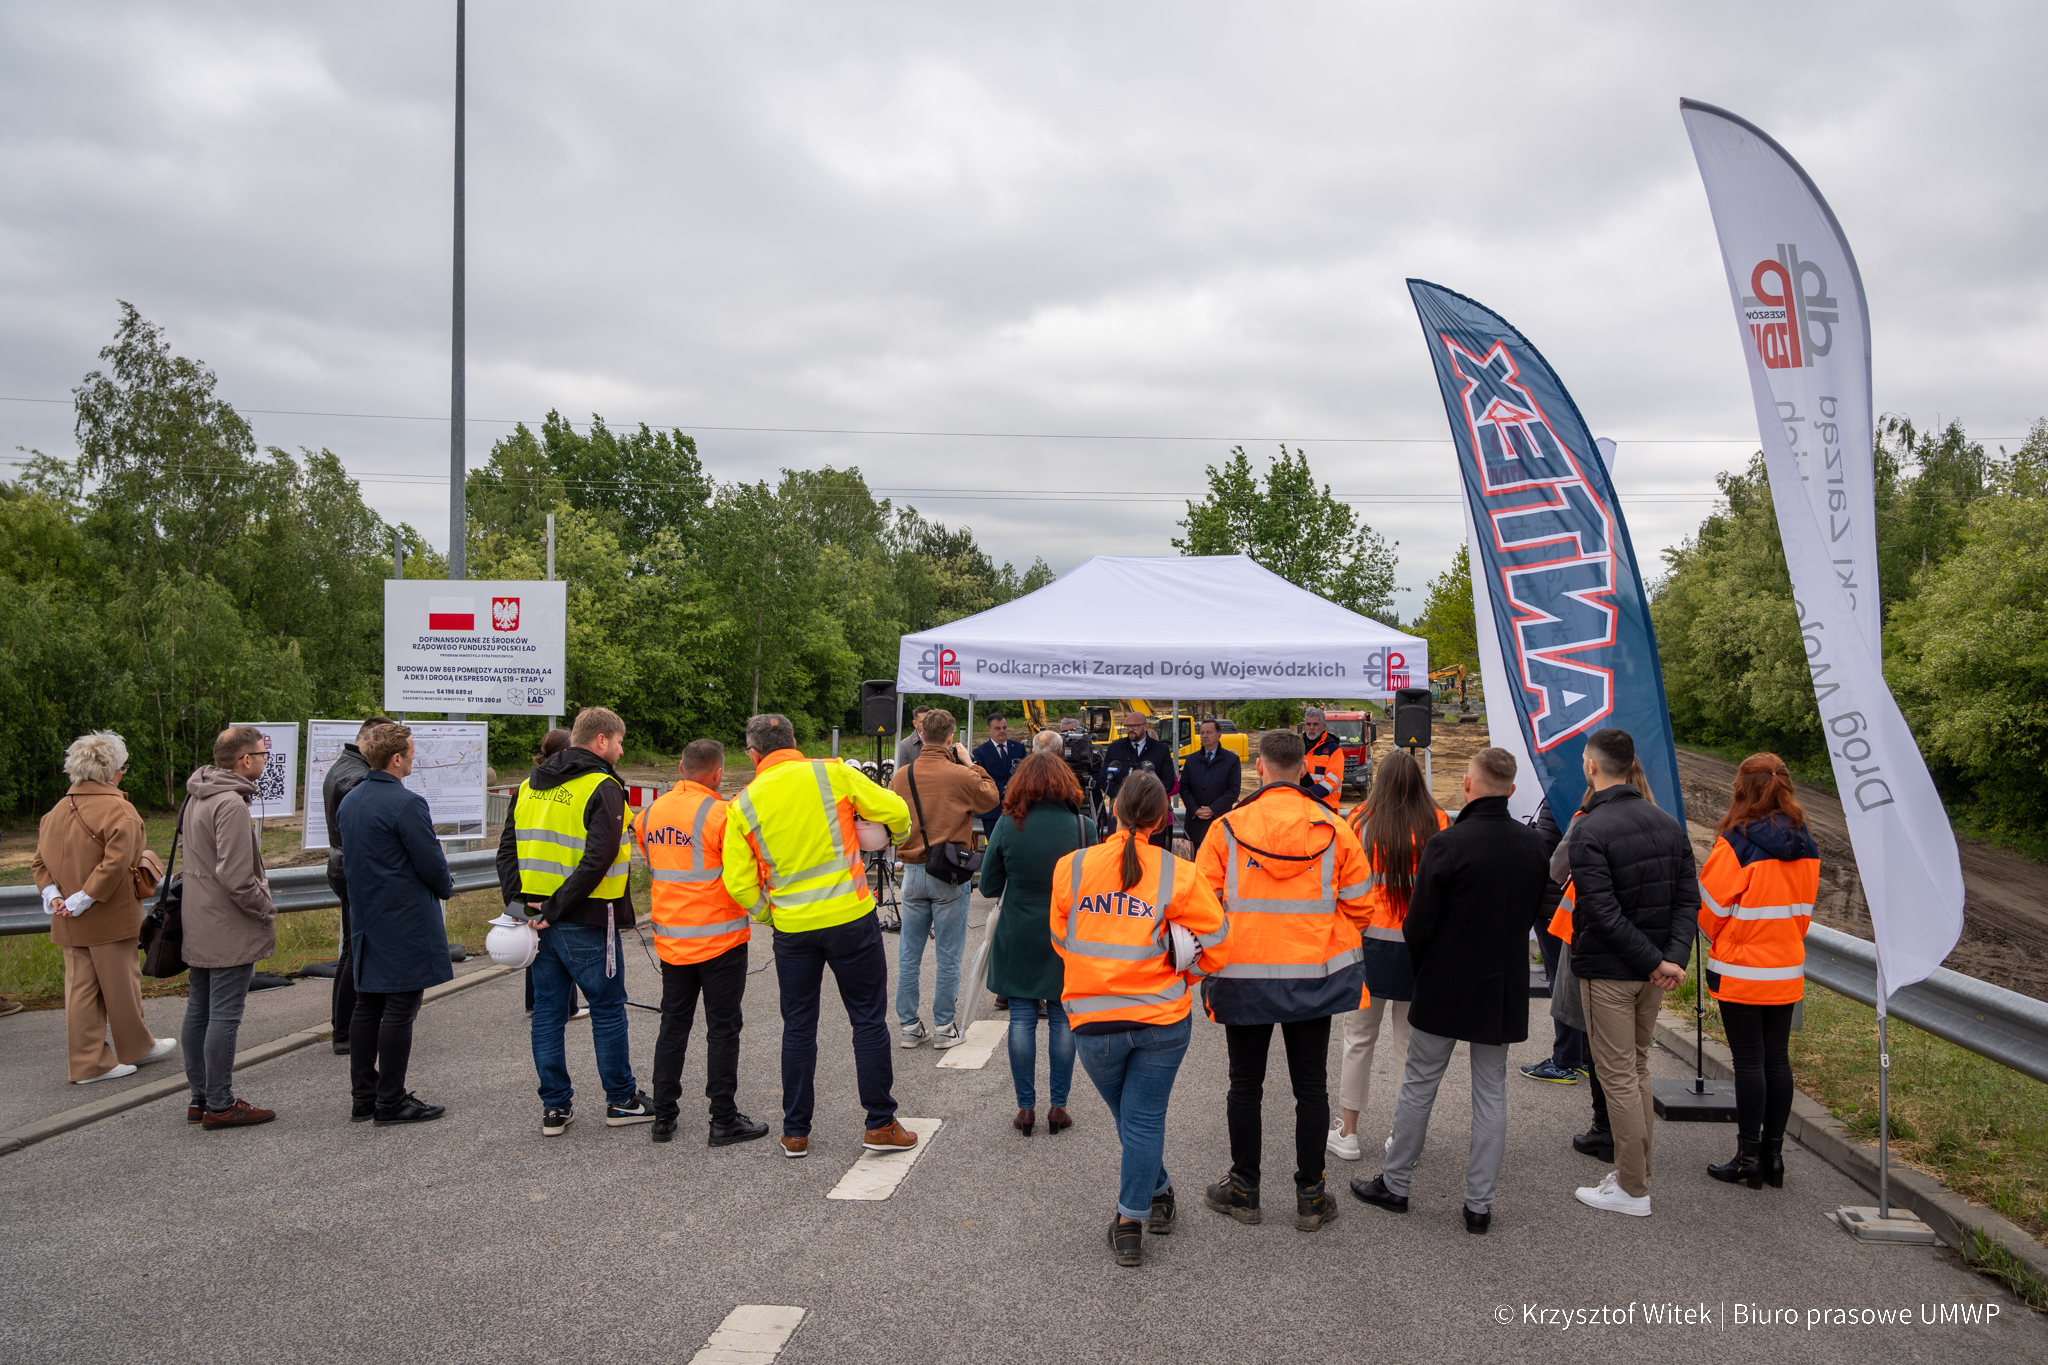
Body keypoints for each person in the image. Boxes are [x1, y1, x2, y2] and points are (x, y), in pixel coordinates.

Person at [1350, 748, 1549, 1233]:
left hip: (1444, 980)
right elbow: (1532, 914)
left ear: (1467, 784)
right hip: (1501, 985)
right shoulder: (1533, 845)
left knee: (1420, 1085)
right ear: (1512, 789)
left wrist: (1428, 968)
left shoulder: (1449, 843)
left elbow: (1418, 925)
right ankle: (1478, 1205)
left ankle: (1396, 1183)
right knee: (1491, 1093)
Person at [1193, 728, 1372, 1232]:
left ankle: (1244, 1189)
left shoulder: (1227, 828)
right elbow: (1362, 907)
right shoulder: (1335, 828)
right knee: (1310, 1087)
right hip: (1312, 977)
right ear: (1304, 769)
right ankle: (1311, 1195)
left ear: (1260, 768)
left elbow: (1201, 909)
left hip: (1242, 976)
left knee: (1244, 1085)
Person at [1052, 772, 1228, 1267]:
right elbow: (1218, 943)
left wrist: (1096, 973)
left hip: (1094, 1021)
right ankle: (1157, 1193)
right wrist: (1184, 975)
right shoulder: (1179, 873)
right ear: (1162, 819)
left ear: (1113, 808)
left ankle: (1131, 1220)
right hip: (1162, 1019)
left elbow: (1061, 939)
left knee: (1133, 1121)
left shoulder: (1073, 867)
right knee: (1141, 1121)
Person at [723, 713, 917, 1158]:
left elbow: (738, 882)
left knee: (798, 1027)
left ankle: (796, 1133)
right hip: (850, 919)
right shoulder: (832, 773)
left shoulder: (743, 804)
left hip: (793, 930)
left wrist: (769, 914)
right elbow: (897, 811)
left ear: (753, 754)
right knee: (867, 1022)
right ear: (794, 740)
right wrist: (896, 836)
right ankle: (880, 1124)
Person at [497, 706, 654, 1138]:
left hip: (536, 922)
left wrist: (523, 907)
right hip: (586, 918)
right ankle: (622, 1100)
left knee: (548, 1012)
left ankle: (555, 1107)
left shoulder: (528, 784)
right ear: (601, 740)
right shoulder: (603, 786)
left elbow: (507, 851)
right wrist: (555, 908)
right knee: (607, 1009)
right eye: (619, 741)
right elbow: (598, 859)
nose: (621, 750)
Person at [1567, 728, 1697, 1218]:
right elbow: (1687, 900)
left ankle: (1632, 1187)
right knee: (1637, 1068)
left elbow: (1601, 912)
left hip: (1612, 972)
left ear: (1592, 766)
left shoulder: (1590, 829)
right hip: (1651, 971)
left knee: (1619, 1074)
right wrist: (1670, 958)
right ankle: (1634, 1174)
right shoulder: (1667, 822)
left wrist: (1659, 961)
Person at [632, 738, 769, 1148]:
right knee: (722, 1029)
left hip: (672, 941)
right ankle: (722, 1119)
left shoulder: (648, 814)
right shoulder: (722, 815)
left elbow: (655, 864)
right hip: (721, 940)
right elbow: (745, 871)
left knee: (673, 1025)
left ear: (680, 768)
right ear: (718, 773)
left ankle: (664, 1117)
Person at [1698, 754, 1819, 1190]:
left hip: (1741, 968)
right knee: (1777, 1060)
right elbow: (1804, 911)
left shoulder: (1736, 842)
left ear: (1742, 788)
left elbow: (1709, 911)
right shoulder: (1806, 843)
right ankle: (1773, 1157)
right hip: (1786, 967)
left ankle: (1748, 1157)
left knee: (1749, 1062)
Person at [34, 731, 176, 1085]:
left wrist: (55, 896)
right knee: (122, 985)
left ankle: (90, 1062)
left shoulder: (55, 811)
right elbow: (116, 864)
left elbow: (39, 862)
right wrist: (83, 899)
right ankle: (134, 1049)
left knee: (81, 991)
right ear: (113, 770)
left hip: (67, 917)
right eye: (123, 766)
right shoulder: (120, 810)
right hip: (109, 914)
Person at [1328, 749, 1449, 1162]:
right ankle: (1402, 1136)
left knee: (1357, 1039)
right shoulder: (1438, 820)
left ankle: (1348, 1132)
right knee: (1409, 1046)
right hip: (1419, 946)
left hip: (1368, 943)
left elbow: (1341, 881)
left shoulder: (1359, 819)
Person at [337, 723, 455, 1126]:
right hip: (404, 918)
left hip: (366, 916)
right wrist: (445, 886)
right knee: (400, 1009)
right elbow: (430, 862)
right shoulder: (406, 803)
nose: (414, 758)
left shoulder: (350, 800)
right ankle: (390, 1100)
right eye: (411, 752)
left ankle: (364, 1096)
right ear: (396, 758)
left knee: (368, 1005)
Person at [979, 753, 1095, 1136]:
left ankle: (1025, 1109)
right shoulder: (1083, 827)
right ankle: (1058, 1107)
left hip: (1018, 934)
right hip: (1066, 936)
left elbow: (988, 886)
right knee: (1062, 1018)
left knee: (1022, 1019)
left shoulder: (1008, 826)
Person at [180, 726, 281, 1129]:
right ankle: (220, 1104)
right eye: (262, 754)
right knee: (224, 1014)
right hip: (228, 923)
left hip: (199, 918)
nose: (264, 761)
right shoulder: (231, 804)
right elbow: (237, 877)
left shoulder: (197, 793)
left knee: (199, 1010)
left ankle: (201, 1099)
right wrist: (265, 909)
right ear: (245, 760)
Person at [888, 709, 999, 1050]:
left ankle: (909, 1026)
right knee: (948, 955)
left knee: (909, 954)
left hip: (912, 871)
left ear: (921, 735)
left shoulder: (901, 776)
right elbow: (991, 798)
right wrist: (970, 762)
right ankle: (943, 1026)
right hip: (949, 873)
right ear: (951, 738)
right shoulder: (960, 774)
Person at [322, 715, 391, 1057]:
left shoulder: (345, 766)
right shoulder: (356, 776)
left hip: (343, 865)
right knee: (357, 951)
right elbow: (368, 828)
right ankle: (346, 1031)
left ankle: (345, 1027)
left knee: (353, 949)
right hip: (354, 869)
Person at [518, 728, 586, 1021]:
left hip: (526, 885)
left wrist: (513, 899)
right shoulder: (570, 786)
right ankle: (568, 1007)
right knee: (561, 954)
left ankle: (534, 1003)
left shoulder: (528, 785)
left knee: (535, 947)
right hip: (556, 888)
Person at [1521, 798, 1587, 1085]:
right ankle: (1584, 1056)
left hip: (1555, 905)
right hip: (1583, 908)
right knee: (1580, 984)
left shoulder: (1561, 798)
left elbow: (1547, 853)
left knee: (1561, 984)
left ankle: (1566, 1059)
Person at [1100, 713, 1177, 848]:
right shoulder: (1114, 749)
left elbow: (1169, 781)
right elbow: (1104, 780)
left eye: (1135, 726)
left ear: (1146, 726)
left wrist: (1145, 796)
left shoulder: (1161, 750)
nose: (1130, 729)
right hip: (1121, 818)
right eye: (1127, 726)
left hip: (1150, 817)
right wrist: (1126, 795)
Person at [1179, 719, 1241, 853]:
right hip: (1195, 825)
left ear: (1219, 735)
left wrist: (1213, 809)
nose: (1204, 736)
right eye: (1202, 733)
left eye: (1209, 732)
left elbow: (1233, 790)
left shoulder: (1231, 760)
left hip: (1219, 823)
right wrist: (1195, 809)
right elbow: (1184, 787)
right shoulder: (1191, 759)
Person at [970, 714, 1028, 841]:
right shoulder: (980, 752)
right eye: (998, 728)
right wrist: (1004, 788)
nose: (1002, 731)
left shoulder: (1019, 748)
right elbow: (981, 776)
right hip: (992, 808)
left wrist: (1013, 786)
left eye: (1004, 727)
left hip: (1016, 807)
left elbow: (1026, 772)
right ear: (988, 730)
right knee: (994, 843)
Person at [1298, 707, 1345, 811]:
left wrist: (1306, 794)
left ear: (1324, 726)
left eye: (1315, 724)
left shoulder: (1334, 750)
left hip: (1326, 808)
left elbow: (1332, 781)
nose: (1311, 728)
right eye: (1308, 724)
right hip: (1301, 806)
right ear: (1304, 725)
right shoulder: (1296, 746)